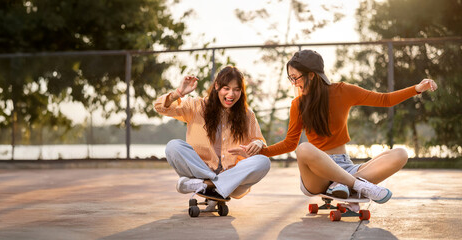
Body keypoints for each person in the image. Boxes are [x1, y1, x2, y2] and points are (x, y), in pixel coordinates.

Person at [231, 49, 438, 206]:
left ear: (312, 74)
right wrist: (259, 151)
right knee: (303, 148)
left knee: (401, 153)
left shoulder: (343, 91)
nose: (294, 83)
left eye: (296, 78)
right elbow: (290, 144)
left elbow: (384, 100)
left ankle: (343, 184)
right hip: (317, 175)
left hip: (345, 165)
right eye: (290, 78)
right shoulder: (298, 105)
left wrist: (417, 89)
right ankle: (357, 185)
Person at [154, 66, 271, 206]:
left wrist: (258, 144)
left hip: (232, 179)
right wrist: (178, 93)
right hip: (200, 171)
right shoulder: (196, 106)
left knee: (263, 162)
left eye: (236, 89)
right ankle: (210, 183)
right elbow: (161, 107)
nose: (231, 94)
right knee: (173, 146)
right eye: (226, 88)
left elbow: (259, 142)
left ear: (241, 91)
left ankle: (206, 184)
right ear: (217, 86)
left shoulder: (247, 115)